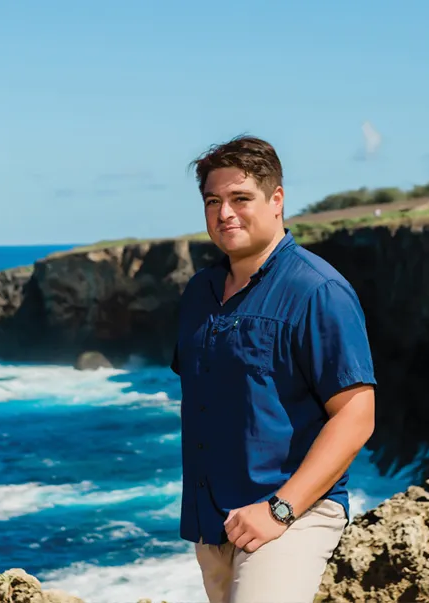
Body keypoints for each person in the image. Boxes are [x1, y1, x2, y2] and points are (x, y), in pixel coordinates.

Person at [170, 135, 376, 603]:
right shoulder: (199, 293)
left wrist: (279, 510)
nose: (225, 213)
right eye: (213, 201)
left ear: (276, 199)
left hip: (290, 516)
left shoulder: (318, 290)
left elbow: (357, 414)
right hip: (214, 524)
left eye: (240, 198)